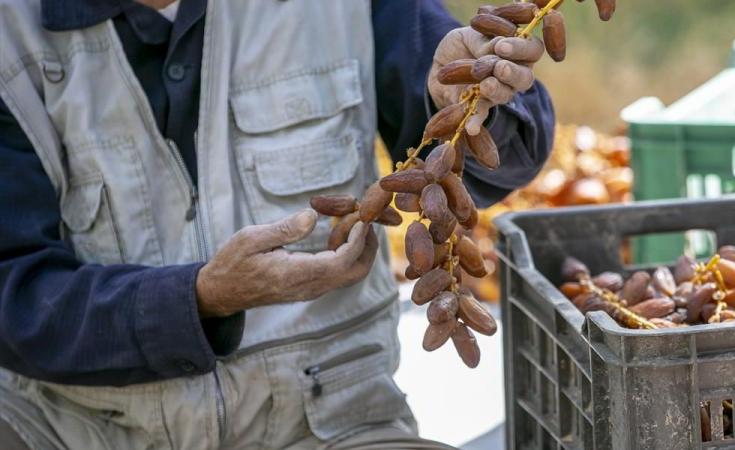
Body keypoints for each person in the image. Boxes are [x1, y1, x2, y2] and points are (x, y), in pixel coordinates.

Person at [0, 0, 559, 448]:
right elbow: (13, 296)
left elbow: (497, 160)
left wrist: (466, 99)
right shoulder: (11, 35)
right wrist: (199, 299)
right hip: (73, 427)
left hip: (331, 422)